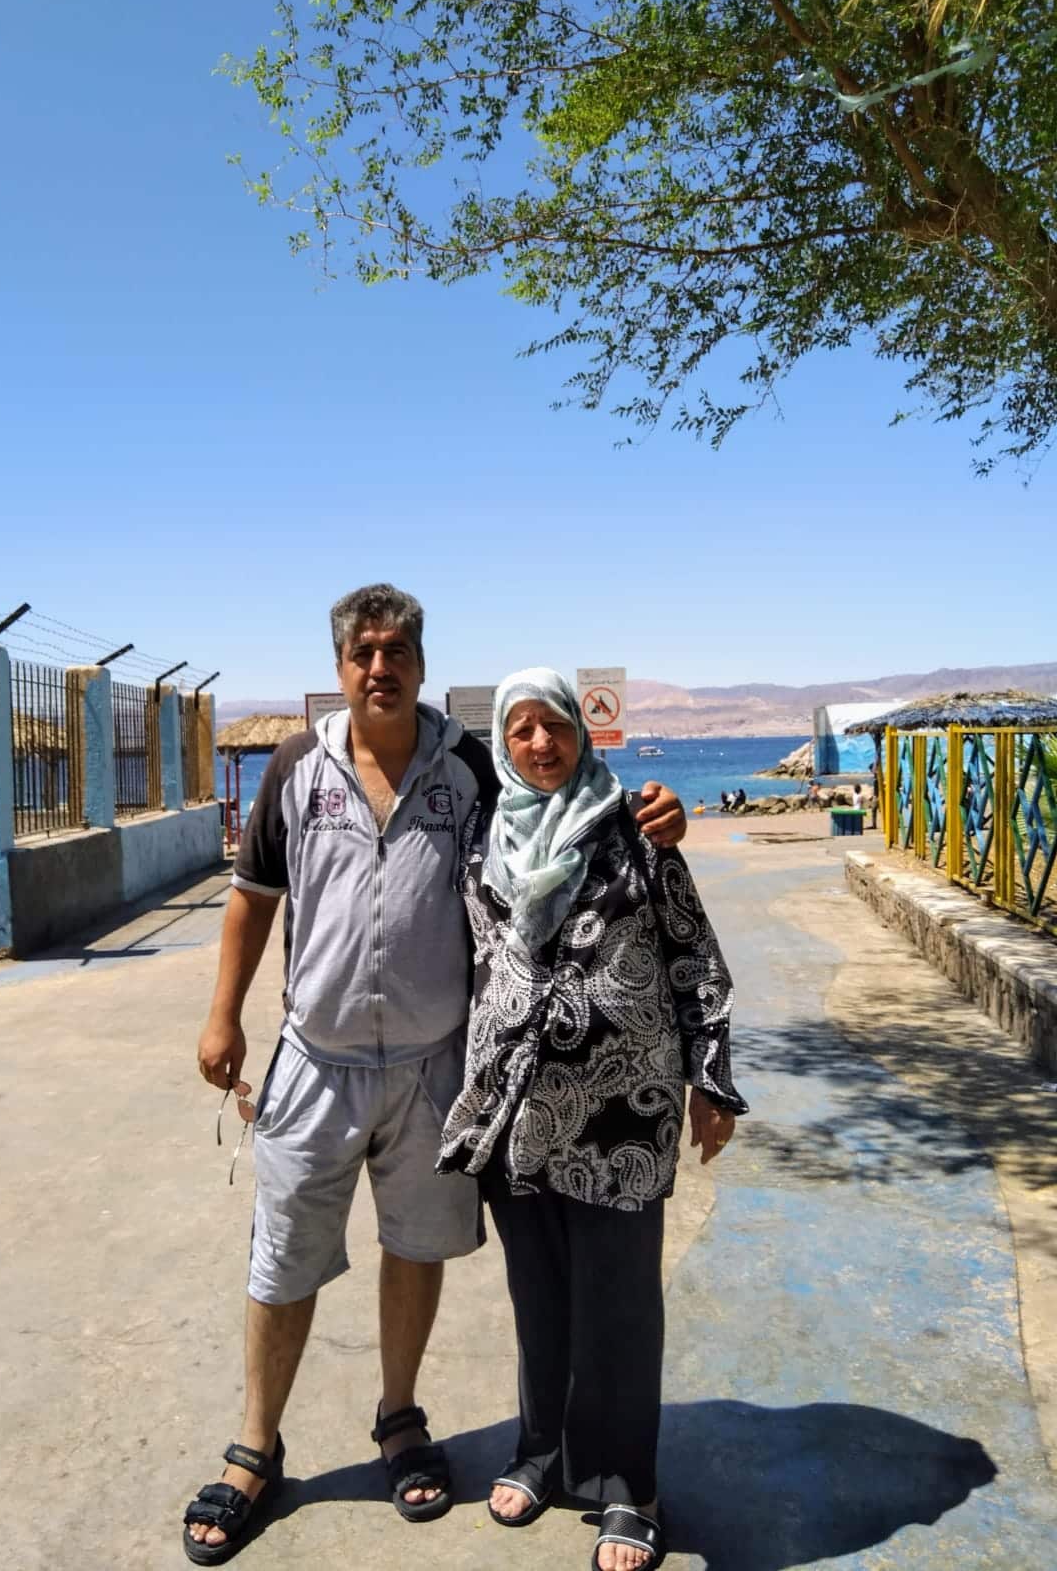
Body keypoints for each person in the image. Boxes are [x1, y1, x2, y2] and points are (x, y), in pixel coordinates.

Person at [183, 587, 688, 1563]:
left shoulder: (466, 763)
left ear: (419, 661)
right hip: (313, 1067)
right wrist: (221, 1016)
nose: (381, 667)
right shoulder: (296, 767)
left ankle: (400, 1423)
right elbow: (250, 899)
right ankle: (255, 1451)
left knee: (415, 1249)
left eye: (397, 651)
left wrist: (646, 803)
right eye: (363, 653)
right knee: (282, 1261)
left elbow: (558, 797)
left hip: (434, 1070)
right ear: (340, 667)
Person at [438, 668, 747, 1571]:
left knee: (618, 1305)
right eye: (522, 728)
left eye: (555, 726)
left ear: (582, 732)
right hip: (517, 1113)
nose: (540, 743)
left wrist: (712, 1080)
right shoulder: (480, 840)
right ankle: (542, 1452)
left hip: (624, 1112)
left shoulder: (637, 827)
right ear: (502, 741)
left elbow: (695, 956)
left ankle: (628, 1487)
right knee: (539, 1300)